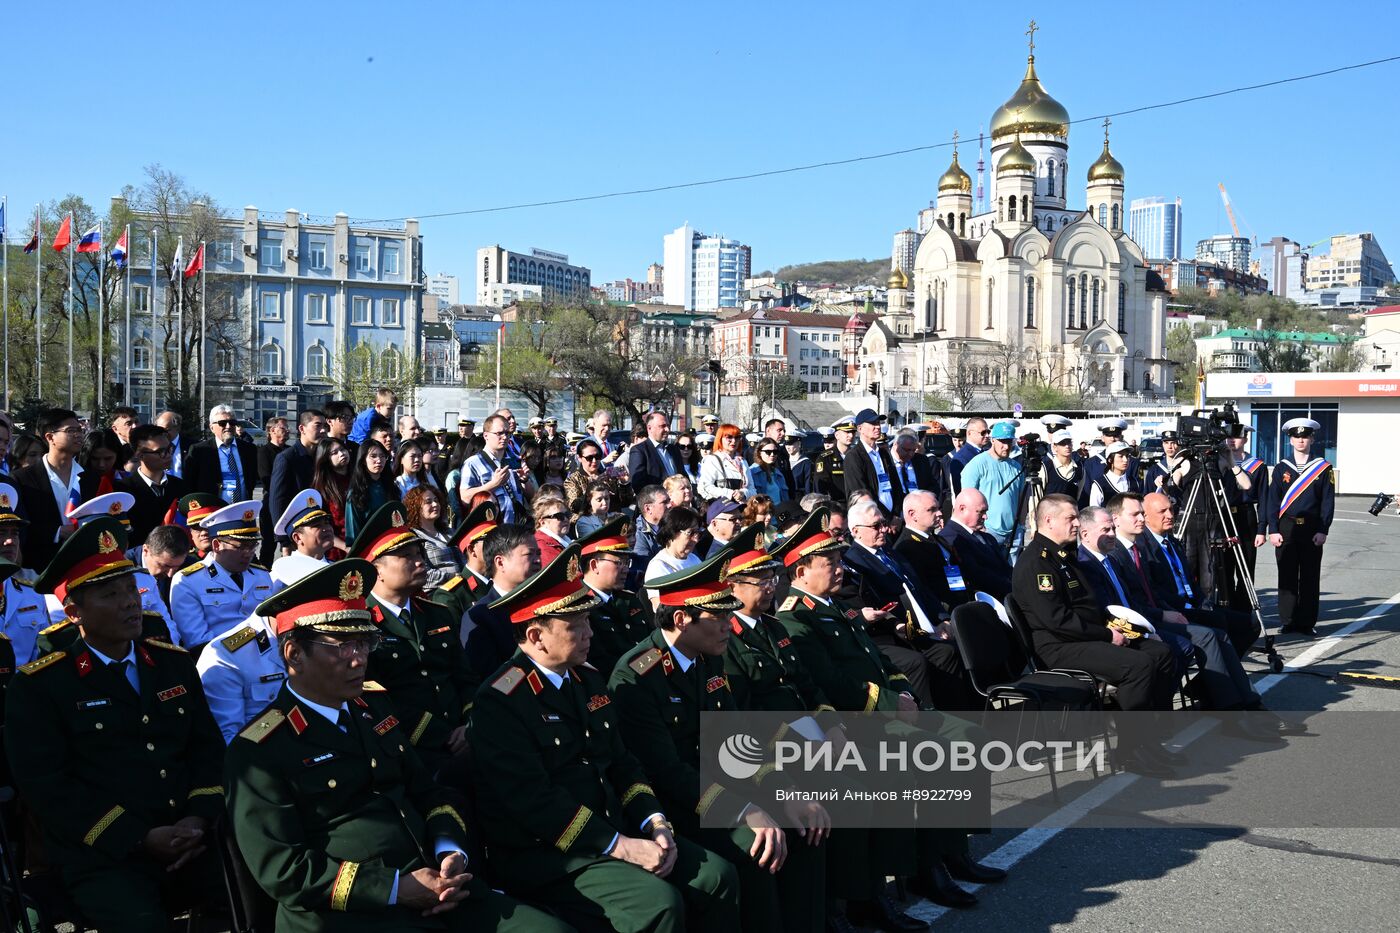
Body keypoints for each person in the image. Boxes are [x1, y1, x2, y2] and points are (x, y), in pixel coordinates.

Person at [224, 560, 569, 933]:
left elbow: (428, 792)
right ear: (294, 654)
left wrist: (449, 850)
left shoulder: (373, 707)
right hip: (348, 915)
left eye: (365, 642)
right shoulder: (259, 749)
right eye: (342, 647)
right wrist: (395, 889)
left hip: (434, 884)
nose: (359, 659)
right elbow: (284, 870)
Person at [469, 547, 741, 933]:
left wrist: (654, 820)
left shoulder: (586, 679)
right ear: (536, 636)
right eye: (576, 626)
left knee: (717, 877)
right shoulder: (501, 699)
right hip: (551, 852)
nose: (590, 634)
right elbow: (534, 801)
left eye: (588, 622)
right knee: (660, 904)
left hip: (612, 829)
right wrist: (622, 845)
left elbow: (621, 762)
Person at [6, 517, 226, 931]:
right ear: (74, 612)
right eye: (111, 594)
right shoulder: (42, 686)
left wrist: (198, 819)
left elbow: (206, 748)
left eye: (130, 589)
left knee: (259, 902)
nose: (130, 602)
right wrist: (139, 838)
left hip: (190, 838)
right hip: (104, 854)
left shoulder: (172, 664)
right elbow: (48, 788)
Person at [769, 506, 990, 912]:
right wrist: (890, 704)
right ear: (800, 572)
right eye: (829, 562)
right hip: (853, 725)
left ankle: (952, 851)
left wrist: (903, 693)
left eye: (839, 560)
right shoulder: (796, 621)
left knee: (968, 735)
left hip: (887, 711)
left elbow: (881, 661)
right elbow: (833, 686)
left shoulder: (836, 607)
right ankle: (922, 869)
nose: (840, 569)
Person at [611, 548, 826, 933]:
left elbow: (735, 739)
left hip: (718, 785)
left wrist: (782, 787)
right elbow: (666, 771)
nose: (730, 623)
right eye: (720, 615)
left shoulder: (707, 656)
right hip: (676, 804)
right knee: (756, 847)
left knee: (804, 821)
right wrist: (744, 809)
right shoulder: (637, 676)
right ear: (681, 619)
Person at [1010, 494, 1180, 777]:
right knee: (1137, 666)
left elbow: (1091, 607)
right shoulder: (1037, 563)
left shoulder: (1064, 554)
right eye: (1070, 518)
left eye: (1077, 517)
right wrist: (1106, 635)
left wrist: (1131, 630)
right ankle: (1130, 750)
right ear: (1048, 521)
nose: (1077, 523)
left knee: (1160, 654)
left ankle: (1148, 739)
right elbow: (1057, 621)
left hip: (1085, 637)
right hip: (1058, 646)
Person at [350, 501, 474, 778]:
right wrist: (441, 734)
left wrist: (469, 725)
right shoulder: (360, 624)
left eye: (419, 552)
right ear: (377, 570)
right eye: (406, 556)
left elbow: (463, 677)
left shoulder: (437, 614)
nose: (420, 561)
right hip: (407, 748)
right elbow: (369, 696)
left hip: (465, 737)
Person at [840, 500, 978, 711]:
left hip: (924, 627)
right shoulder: (855, 563)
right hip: (898, 634)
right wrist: (898, 625)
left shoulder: (890, 552)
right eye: (876, 526)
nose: (884, 529)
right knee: (934, 657)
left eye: (884, 523)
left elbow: (920, 588)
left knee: (957, 647)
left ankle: (964, 713)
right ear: (856, 531)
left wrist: (942, 619)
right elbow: (872, 605)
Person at [168, 499, 275, 651]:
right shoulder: (188, 581)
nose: (249, 553)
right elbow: (197, 640)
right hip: (220, 662)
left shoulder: (261, 575)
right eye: (241, 546)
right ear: (217, 545)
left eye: (253, 546)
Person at [1260, 418, 1333, 637]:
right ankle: (1288, 621)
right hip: (1286, 529)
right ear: (1290, 440)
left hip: (1312, 530)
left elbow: (1327, 502)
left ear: (1312, 439)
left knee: (1310, 577)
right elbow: (1273, 501)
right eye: (1296, 437)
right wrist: (1273, 529)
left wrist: (1323, 529)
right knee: (1287, 576)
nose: (1301, 440)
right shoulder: (1282, 467)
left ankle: (1307, 622)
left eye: (1305, 436)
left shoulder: (1323, 468)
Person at [11, 408, 94, 571]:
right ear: (50, 437)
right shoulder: (23, 478)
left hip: (82, 566)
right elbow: (20, 527)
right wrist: (57, 532)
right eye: (70, 431)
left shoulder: (90, 477)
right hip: (39, 568)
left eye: (79, 430)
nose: (78, 435)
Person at [462, 525, 542, 680]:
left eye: (538, 553)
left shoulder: (543, 602)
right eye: (529, 554)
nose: (538, 560)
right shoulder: (480, 617)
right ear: (500, 562)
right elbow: (494, 681)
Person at [576, 516, 654, 673]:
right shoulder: (579, 607)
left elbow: (652, 645)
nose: (626, 569)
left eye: (627, 563)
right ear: (594, 565)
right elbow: (598, 663)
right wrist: (642, 669)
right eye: (619, 563)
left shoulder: (629, 599)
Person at [894, 489, 972, 614]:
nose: (940, 513)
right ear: (912, 514)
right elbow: (923, 589)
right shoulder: (905, 548)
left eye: (939, 508)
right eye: (931, 510)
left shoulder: (937, 539)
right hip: (946, 612)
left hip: (963, 601)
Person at [0, 483, 49, 664]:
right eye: (1, 533)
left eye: (15, 533)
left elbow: (43, 654)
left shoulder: (32, 594)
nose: (10, 541)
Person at [959, 421, 1025, 556]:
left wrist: (1021, 526)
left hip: (1013, 533)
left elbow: (1022, 499)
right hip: (987, 531)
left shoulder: (1017, 467)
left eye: (1009, 442)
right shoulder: (976, 464)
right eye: (1002, 442)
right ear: (993, 440)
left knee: (1012, 575)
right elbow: (966, 501)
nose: (1006, 446)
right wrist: (976, 528)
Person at [118, 423, 187, 546]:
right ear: (139, 454)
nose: (168, 455)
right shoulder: (123, 490)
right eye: (160, 451)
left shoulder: (181, 486)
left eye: (169, 449)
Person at [461, 413, 535, 525]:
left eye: (507, 433)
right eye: (499, 433)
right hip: (493, 530)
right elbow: (465, 498)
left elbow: (532, 497)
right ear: (486, 435)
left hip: (518, 529)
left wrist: (524, 480)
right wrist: (493, 484)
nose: (505, 437)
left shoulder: (515, 460)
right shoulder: (473, 463)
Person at [938, 489, 1013, 600]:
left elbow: (1005, 568)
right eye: (981, 511)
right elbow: (976, 575)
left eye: (985, 512)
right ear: (962, 509)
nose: (985, 517)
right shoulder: (951, 539)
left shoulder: (986, 537)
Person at [270, 410, 329, 539]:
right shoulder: (287, 458)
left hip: (321, 527)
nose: (323, 430)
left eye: (325, 426)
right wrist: (283, 539)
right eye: (317, 425)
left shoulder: (323, 457)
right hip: (297, 531)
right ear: (302, 428)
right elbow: (278, 500)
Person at [185, 404, 257, 501]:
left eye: (232, 422)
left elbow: (252, 479)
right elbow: (190, 483)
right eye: (222, 423)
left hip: (243, 512)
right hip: (212, 510)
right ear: (212, 428)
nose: (228, 426)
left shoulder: (249, 449)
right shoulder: (199, 451)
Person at [841, 409, 903, 517]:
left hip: (893, 518)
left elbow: (896, 485)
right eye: (873, 423)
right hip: (871, 517)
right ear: (860, 428)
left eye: (878, 423)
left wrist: (896, 515)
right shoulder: (854, 456)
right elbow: (861, 493)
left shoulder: (884, 454)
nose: (878, 427)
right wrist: (887, 517)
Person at [269, 490, 335, 591]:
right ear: (298, 538)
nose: (327, 528)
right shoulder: (281, 576)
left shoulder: (336, 568)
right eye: (316, 525)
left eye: (326, 522)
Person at [406, 484, 462, 594]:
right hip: (439, 594)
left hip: (463, 589)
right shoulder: (414, 537)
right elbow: (423, 573)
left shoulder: (450, 531)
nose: (435, 504)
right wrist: (456, 577)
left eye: (436, 500)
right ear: (416, 507)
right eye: (428, 502)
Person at [644, 506, 703, 605]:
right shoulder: (658, 567)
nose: (696, 539)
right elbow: (662, 609)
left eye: (697, 533)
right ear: (672, 532)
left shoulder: (694, 559)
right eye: (690, 533)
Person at [345, 439, 398, 543]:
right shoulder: (356, 493)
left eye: (382, 456)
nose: (379, 460)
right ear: (363, 460)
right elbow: (353, 533)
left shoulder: (391, 487)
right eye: (373, 456)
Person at [310, 436, 352, 558]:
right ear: (326, 459)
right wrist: (344, 546)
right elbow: (321, 525)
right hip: (335, 550)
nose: (341, 454)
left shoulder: (358, 479)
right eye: (335, 453)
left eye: (342, 449)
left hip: (361, 543)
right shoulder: (320, 488)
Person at [628, 411, 681, 492]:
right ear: (649, 428)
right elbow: (638, 484)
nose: (667, 429)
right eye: (662, 426)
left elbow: (683, 475)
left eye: (668, 426)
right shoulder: (639, 451)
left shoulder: (673, 450)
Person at [630, 484, 669, 588]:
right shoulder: (638, 534)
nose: (669, 505)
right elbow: (644, 569)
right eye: (664, 502)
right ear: (648, 508)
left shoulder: (673, 526)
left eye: (669, 501)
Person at [698, 423, 748, 504]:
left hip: (741, 508)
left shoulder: (742, 461)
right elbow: (705, 487)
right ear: (720, 439)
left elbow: (752, 489)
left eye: (737, 437)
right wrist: (730, 493)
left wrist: (743, 493)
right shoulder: (712, 460)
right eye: (729, 437)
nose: (734, 441)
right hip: (721, 509)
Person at [891, 429, 939, 501]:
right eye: (906, 450)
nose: (910, 454)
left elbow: (932, 486)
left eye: (913, 450)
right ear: (895, 444)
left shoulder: (922, 460)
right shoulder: (885, 461)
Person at [946, 418, 989, 497]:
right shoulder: (960, 458)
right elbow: (960, 491)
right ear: (969, 433)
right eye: (983, 433)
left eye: (988, 432)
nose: (987, 435)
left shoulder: (985, 453)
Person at [1041, 430, 1085, 501]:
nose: (1067, 446)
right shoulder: (1046, 467)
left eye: (1069, 442)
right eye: (1062, 443)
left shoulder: (1080, 468)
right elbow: (1037, 495)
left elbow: (1078, 495)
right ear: (1055, 447)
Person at [747, 437, 791, 504]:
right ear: (759, 453)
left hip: (780, 512)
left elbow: (785, 498)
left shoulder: (778, 473)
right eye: (768, 452)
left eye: (775, 452)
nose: (772, 454)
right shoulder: (752, 472)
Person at [533, 494, 573, 565]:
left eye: (567, 514)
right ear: (543, 522)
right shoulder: (541, 546)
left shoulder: (565, 540)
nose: (566, 519)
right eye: (559, 516)